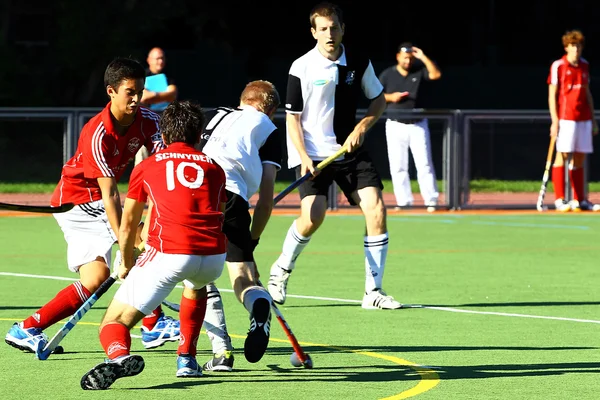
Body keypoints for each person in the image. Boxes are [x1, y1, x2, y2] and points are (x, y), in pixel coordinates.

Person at [3, 57, 177, 355]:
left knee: (95, 280)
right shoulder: (96, 133)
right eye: (129, 92)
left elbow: (164, 161)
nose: (136, 98)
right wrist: (128, 241)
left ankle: (27, 328)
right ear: (111, 92)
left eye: (140, 91)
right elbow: (109, 195)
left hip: (97, 201)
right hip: (79, 201)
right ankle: (154, 323)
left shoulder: (148, 120)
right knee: (136, 244)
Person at [133, 80, 282, 369]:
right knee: (244, 279)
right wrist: (251, 240)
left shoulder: (219, 114)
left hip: (197, 190)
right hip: (235, 197)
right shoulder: (271, 130)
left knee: (198, 275)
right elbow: (265, 201)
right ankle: (256, 303)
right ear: (271, 109)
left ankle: (221, 352)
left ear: (243, 99)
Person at [80, 100, 228, 390]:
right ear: (199, 135)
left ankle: (118, 356)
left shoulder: (148, 166)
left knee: (114, 323)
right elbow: (217, 212)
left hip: (171, 253)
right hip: (214, 257)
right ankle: (187, 359)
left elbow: (127, 224)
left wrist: (125, 262)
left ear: (164, 134)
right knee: (195, 286)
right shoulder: (214, 168)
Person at [267, 2, 402, 310]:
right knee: (313, 217)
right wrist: (303, 156)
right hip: (313, 154)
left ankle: (373, 292)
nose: (330, 34)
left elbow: (378, 100)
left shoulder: (358, 60)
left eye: (335, 27)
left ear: (343, 29)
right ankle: (280, 271)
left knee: (376, 209)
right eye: (323, 29)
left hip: (350, 150)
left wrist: (362, 128)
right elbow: (292, 118)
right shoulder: (301, 66)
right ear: (314, 32)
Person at [378, 43, 441, 212]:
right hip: (395, 125)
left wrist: (422, 57)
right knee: (398, 166)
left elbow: (435, 75)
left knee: (424, 164)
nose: (408, 61)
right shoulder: (388, 74)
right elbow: (376, 95)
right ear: (398, 56)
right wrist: (392, 97)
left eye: (411, 58)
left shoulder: (419, 70)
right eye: (405, 57)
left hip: (418, 124)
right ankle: (404, 201)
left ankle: (431, 200)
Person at [548, 29, 599, 212]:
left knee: (579, 158)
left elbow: (587, 94)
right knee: (561, 156)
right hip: (565, 119)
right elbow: (552, 95)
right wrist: (555, 121)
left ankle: (580, 200)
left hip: (583, 118)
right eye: (572, 46)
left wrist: (593, 120)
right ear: (566, 47)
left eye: (578, 46)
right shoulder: (558, 66)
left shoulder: (585, 65)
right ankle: (560, 200)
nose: (576, 49)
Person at [135, 47, 179, 165]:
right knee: (142, 153)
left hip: (165, 122)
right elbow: (143, 97)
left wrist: (152, 95)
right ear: (149, 60)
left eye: (162, 58)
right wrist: (163, 95)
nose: (160, 61)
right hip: (145, 122)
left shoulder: (169, 77)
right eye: (157, 58)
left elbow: (172, 95)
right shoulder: (141, 77)